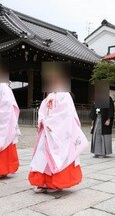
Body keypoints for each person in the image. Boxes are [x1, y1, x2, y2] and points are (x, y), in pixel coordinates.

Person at [29, 64, 89, 193]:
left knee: (57, 155)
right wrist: (41, 120)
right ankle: (42, 182)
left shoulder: (65, 95)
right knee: (41, 156)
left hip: (58, 132)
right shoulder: (49, 96)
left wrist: (49, 122)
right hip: (47, 131)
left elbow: (66, 114)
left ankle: (54, 183)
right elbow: (42, 110)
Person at [0, 82, 20, 178]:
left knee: (4, 142)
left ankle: (3, 169)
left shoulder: (4, 87)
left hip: (4, 120)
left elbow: (7, 106)